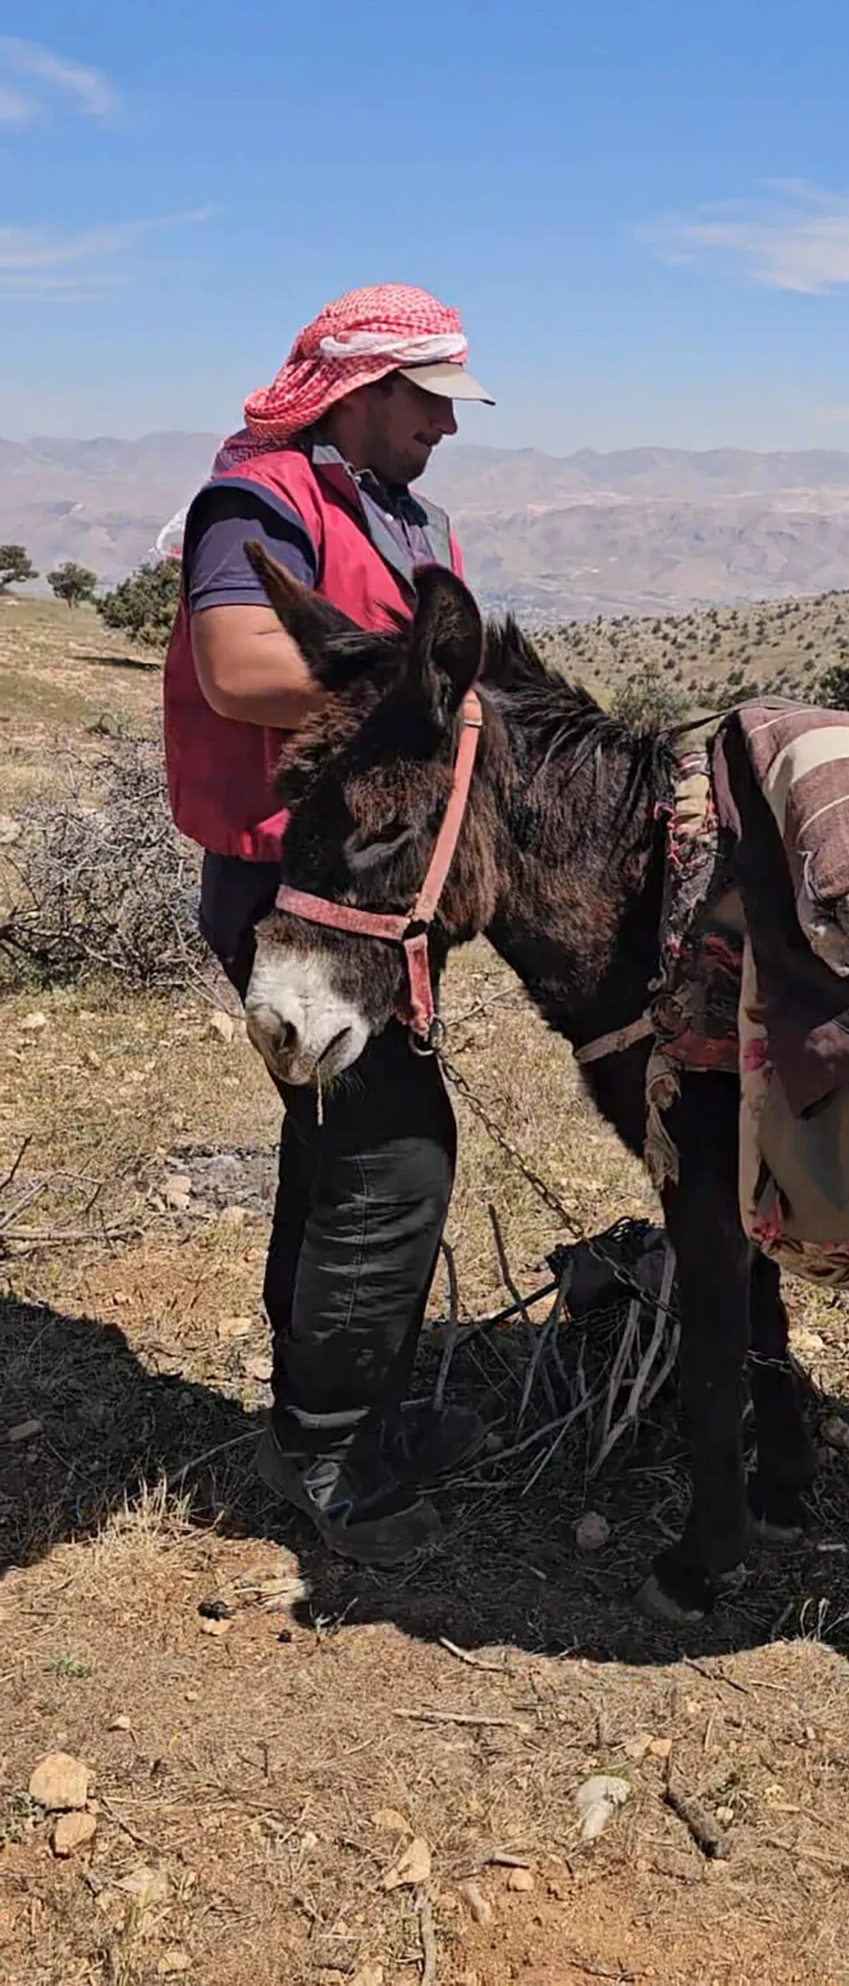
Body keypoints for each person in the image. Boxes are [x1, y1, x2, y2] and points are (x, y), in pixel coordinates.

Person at [163, 284, 493, 1563]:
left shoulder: (413, 516)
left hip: (371, 878)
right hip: (287, 880)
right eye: (430, 404)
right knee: (389, 1158)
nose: (446, 431)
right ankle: (332, 1453)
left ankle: (345, 1419)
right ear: (362, 392)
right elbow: (237, 666)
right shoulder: (260, 499)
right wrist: (419, 694)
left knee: (343, 1131)